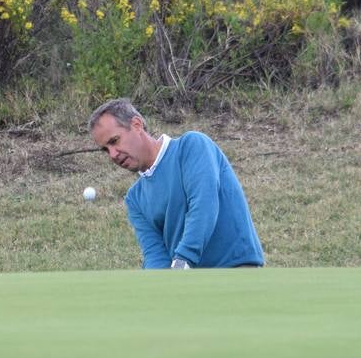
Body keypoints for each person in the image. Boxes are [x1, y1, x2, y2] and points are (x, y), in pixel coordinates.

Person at [88, 98, 264, 269]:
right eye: (106, 149)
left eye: (114, 141)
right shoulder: (135, 198)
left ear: (136, 125)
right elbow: (155, 254)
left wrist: (182, 262)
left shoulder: (192, 146)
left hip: (236, 272)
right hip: (188, 285)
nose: (112, 154)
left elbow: (203, 205)